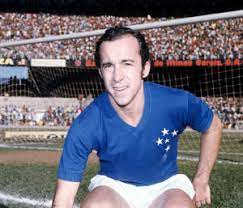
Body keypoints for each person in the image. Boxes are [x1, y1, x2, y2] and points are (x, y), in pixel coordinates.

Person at [52, 26, 222, 208]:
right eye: (108, 65)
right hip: (113, 187)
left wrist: (202, 179)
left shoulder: (176, 102)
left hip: (167, 186)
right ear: (101, 72)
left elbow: (213, 126)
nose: (117, 77)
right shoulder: (86, 124)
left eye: (127, 63)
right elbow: (63, 200)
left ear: (145, 68)